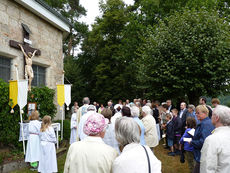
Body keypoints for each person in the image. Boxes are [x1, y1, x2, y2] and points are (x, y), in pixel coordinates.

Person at [200, 105, 230, 173]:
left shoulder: (212, 140)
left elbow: (207, 168)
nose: (210, 117)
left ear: (216, 118)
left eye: (212, 115)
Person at [190, 105, 214, 173]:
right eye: (195, 113)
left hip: (202, 156)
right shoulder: (207, 122)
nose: (196, 115)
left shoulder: (205, 124)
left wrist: (192, 142)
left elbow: (204, 142)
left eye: (198, 113)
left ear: (205, 113)